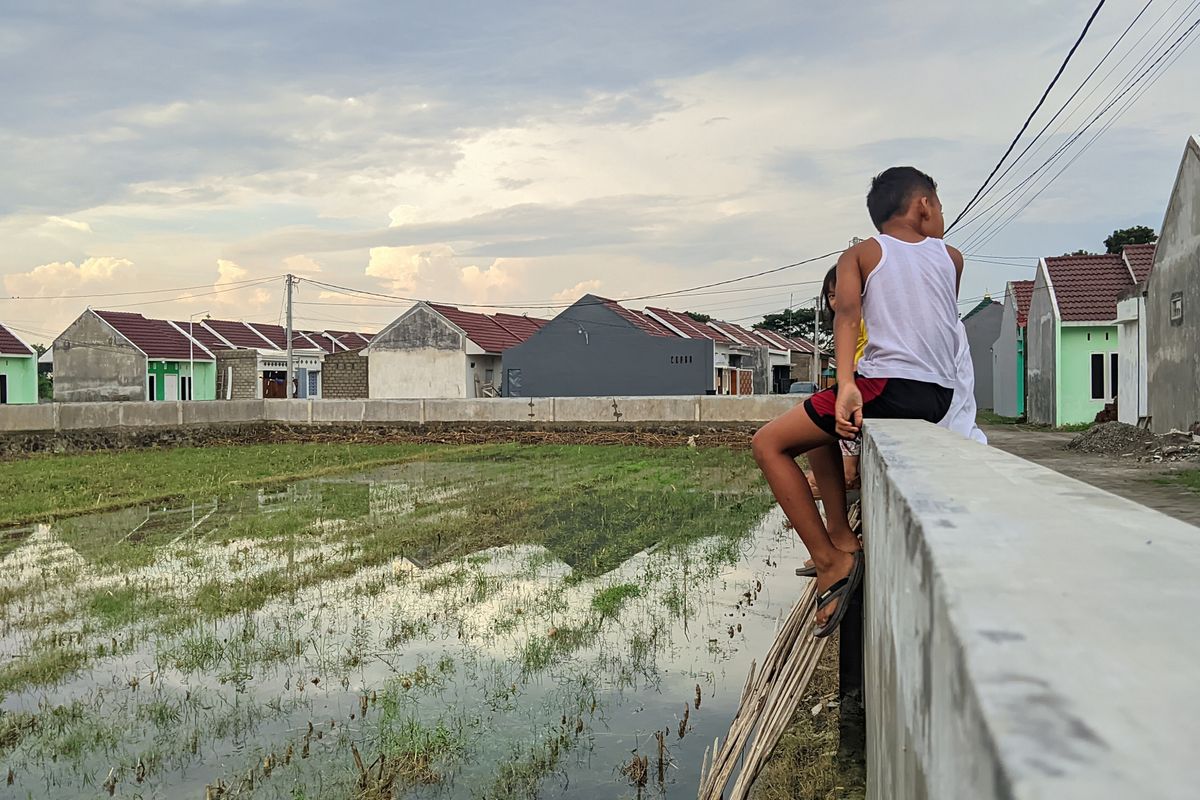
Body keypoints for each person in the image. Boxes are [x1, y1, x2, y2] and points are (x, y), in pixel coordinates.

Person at [752, 166, 962, 637]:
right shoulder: (952, 258)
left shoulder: (860, 255)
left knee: (768, 444)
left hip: (887, 387)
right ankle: (843, 537)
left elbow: (846, 317)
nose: (940, 214)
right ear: (923, 205)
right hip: (937, 395)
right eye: (940, 205)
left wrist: (847, 382)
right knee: (817, 431)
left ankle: (831, 563)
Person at [805, 265, 869, 498]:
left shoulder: (862, 320)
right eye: (831, 296)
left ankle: (848, 472)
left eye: (841, 294)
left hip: (861, 383)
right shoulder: (843, 324)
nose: (835, 302)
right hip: (853, 383)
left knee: (837, 419)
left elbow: (869, 353)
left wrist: (852, 372)